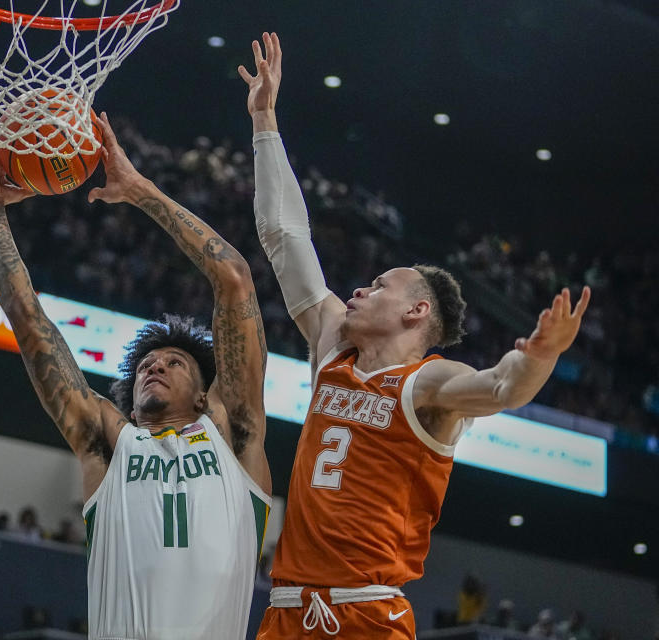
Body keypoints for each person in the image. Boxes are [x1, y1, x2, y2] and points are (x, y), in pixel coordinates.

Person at [238, 32, 592, 638]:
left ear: (416, 312)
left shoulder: (427, 383)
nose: (357, 290)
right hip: (286, 609)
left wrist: (541, 354)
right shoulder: (331, 347)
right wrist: (266, 122)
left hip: (367, 612)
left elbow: (504, 388)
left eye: (378, 286)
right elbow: (282, 236)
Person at [0, 112, 272, 640]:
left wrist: (139, 190)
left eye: (173, 363)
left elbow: (235, 280)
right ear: (130, 407)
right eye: (144, 368)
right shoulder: (109, 446)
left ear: (205, 396)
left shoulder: (233, 436)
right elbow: (28, 319)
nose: (154, 366)